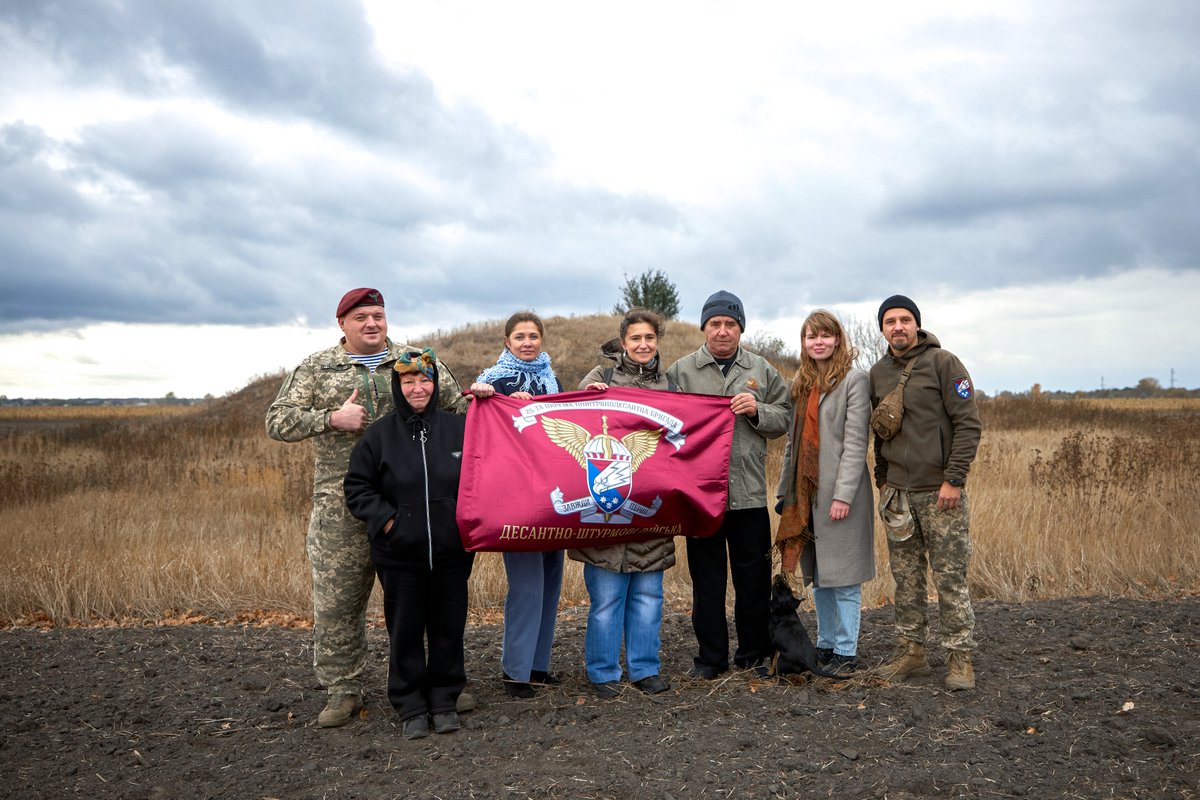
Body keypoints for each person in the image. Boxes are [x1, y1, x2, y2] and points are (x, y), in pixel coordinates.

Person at [265, 288, 469, 727]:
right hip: (345, 505)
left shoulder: (415, 361)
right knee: (340, 602)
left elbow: (460, 410)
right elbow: (277, 420)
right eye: (361, 317)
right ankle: (344, 689)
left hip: (420, 507)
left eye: (378, 315)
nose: (371, 323)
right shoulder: (318, 368)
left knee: (429, 601)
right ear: (343, 324)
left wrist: (497, 398)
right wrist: (329, 419)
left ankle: (442, 687)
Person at [344, 348, 475, 739]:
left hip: (452, 552)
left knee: (448, 626)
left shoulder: (459, 429)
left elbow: (481, 478)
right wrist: (388, 522)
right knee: (405, 628)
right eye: (409, 381)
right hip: (400, 554)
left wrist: (465, 524)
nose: (418, 388)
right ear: (398, 387)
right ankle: (411, 705)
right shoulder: (379, 436)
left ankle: (445, 700)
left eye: (425, 379)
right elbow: (357, 487)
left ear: (435, 384)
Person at [667, 290, 792, 679]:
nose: (723, 331)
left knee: (751, 583)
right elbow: (662, 426)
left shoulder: (761, 369)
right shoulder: (681, 371)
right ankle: (710, 659)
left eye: (730, 325)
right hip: (700, 498)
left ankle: (753, 654)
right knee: (707, 585)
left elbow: (785, 417)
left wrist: (758, 411)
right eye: (715, 324)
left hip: (749, 496)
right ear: (704, 327)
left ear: (740, 329)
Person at [869, 295, 982, 690]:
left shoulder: (944, 363)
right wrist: (881, 480)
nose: (897, 327)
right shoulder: (878, 373)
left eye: (904, 320)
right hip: (897, 494)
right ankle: (911, 653)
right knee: (907, 578)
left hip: (940, 493)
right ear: (881, 328)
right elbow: (879, 432)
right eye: (889, 321)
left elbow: (968, 425)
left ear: (917, 324)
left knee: (950, 577)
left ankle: (959, 659)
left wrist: (954, 479)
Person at [570, 308, 677, 699]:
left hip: (651, 511)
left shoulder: (671, 383)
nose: (643, 345)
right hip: (605, 514)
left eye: (649, 338)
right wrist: (588, 399)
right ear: (623, 342)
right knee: (606, 600)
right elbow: (574, 420)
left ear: (657, 341)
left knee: (649, 597)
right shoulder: (600, 378)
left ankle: (645, 669)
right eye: (636, 339)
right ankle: (602, 672)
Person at [774, 310, 875, 675]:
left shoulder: (854, 381)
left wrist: (843, 495)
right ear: (803, 343)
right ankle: (826, 645)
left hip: (839, 496)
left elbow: (855, 443)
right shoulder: (800, 384)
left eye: (825, 335)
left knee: (844, 578)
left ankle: (846, 653)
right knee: (819, 576)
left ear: (837, 339)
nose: (818, 341)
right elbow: (793, 446)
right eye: (810, 336)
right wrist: (785, 493)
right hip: (806, 497)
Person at [469, 311, 564, 698]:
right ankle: (516, 671)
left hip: (552, 495)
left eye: (534, 336)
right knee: (526, 586)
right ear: (506, 341)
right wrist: (503, 402)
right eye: (520, 336)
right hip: (516, 499)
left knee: (550, 583)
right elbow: (481, 420)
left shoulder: (551, 381)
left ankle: (539, 666)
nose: (527, 342)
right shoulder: (492, 381)